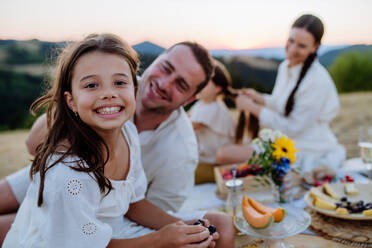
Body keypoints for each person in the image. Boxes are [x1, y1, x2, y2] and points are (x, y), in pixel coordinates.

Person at [0, 38, 235, 246]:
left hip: (107, 216)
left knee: (221, 225)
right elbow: (34, 147)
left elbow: (135, 202)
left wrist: (183, 225)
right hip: (65, 188)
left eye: (180, 84)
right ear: (154, 61)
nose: (109, 93)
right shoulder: (115, 82)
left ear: (190, 99)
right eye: (166, 68)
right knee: (32, 223)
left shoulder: (137, 135)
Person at [219, 14, 346, 179]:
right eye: (291, 41)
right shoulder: (285, 67)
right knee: (225, 152)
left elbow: (292, 128)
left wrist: (253, 108)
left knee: (223, 155)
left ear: (315, 47)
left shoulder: (318, 80)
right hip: (282, 139)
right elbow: (282, 104)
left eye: (301, 45)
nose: (292, 49)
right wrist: (259, 98)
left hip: (304, 145)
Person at [188, 59, 235, 183]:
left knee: (178, 172)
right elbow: (187, 117)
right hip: (204, 159)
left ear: (217, 88)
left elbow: (187, 126)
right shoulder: (201, 104)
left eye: (205, 83)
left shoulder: (214, 108)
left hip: (212, 164)